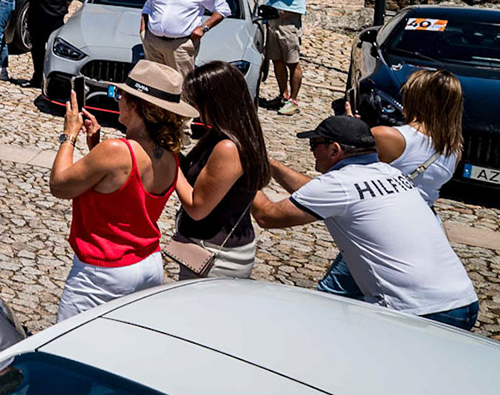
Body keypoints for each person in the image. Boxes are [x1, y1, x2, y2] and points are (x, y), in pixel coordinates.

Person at [253, 115, 479, 328]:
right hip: (463, 300)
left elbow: (267, 215)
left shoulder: (339, 184)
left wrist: (241, 168)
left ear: (334, 150)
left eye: (314, 145)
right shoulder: (391, 173)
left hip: (418, 309)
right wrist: (269, 163)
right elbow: (315, 193)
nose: (312, 152)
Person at [49, 61, 189, 319]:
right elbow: (124, 192)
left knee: (71, 349)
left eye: (122, 94)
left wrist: (69, 135)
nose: (118, 99)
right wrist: (95, 148)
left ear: (136, 104)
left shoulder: (115, 151)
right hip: (148, 263)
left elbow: (59, 184)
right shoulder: (170, 156)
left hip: (104, 270)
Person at [170, 60, 268, 279]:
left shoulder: (228, 148)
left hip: (216, 260)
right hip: (207, 250)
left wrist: (170, 164)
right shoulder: (227, 135)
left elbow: (197, 207)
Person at [363, 67, 463, 204]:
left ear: (412, 98)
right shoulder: (454, 152)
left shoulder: (386, 136)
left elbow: (346, 173)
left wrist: (349, 129)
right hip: (424, 219)